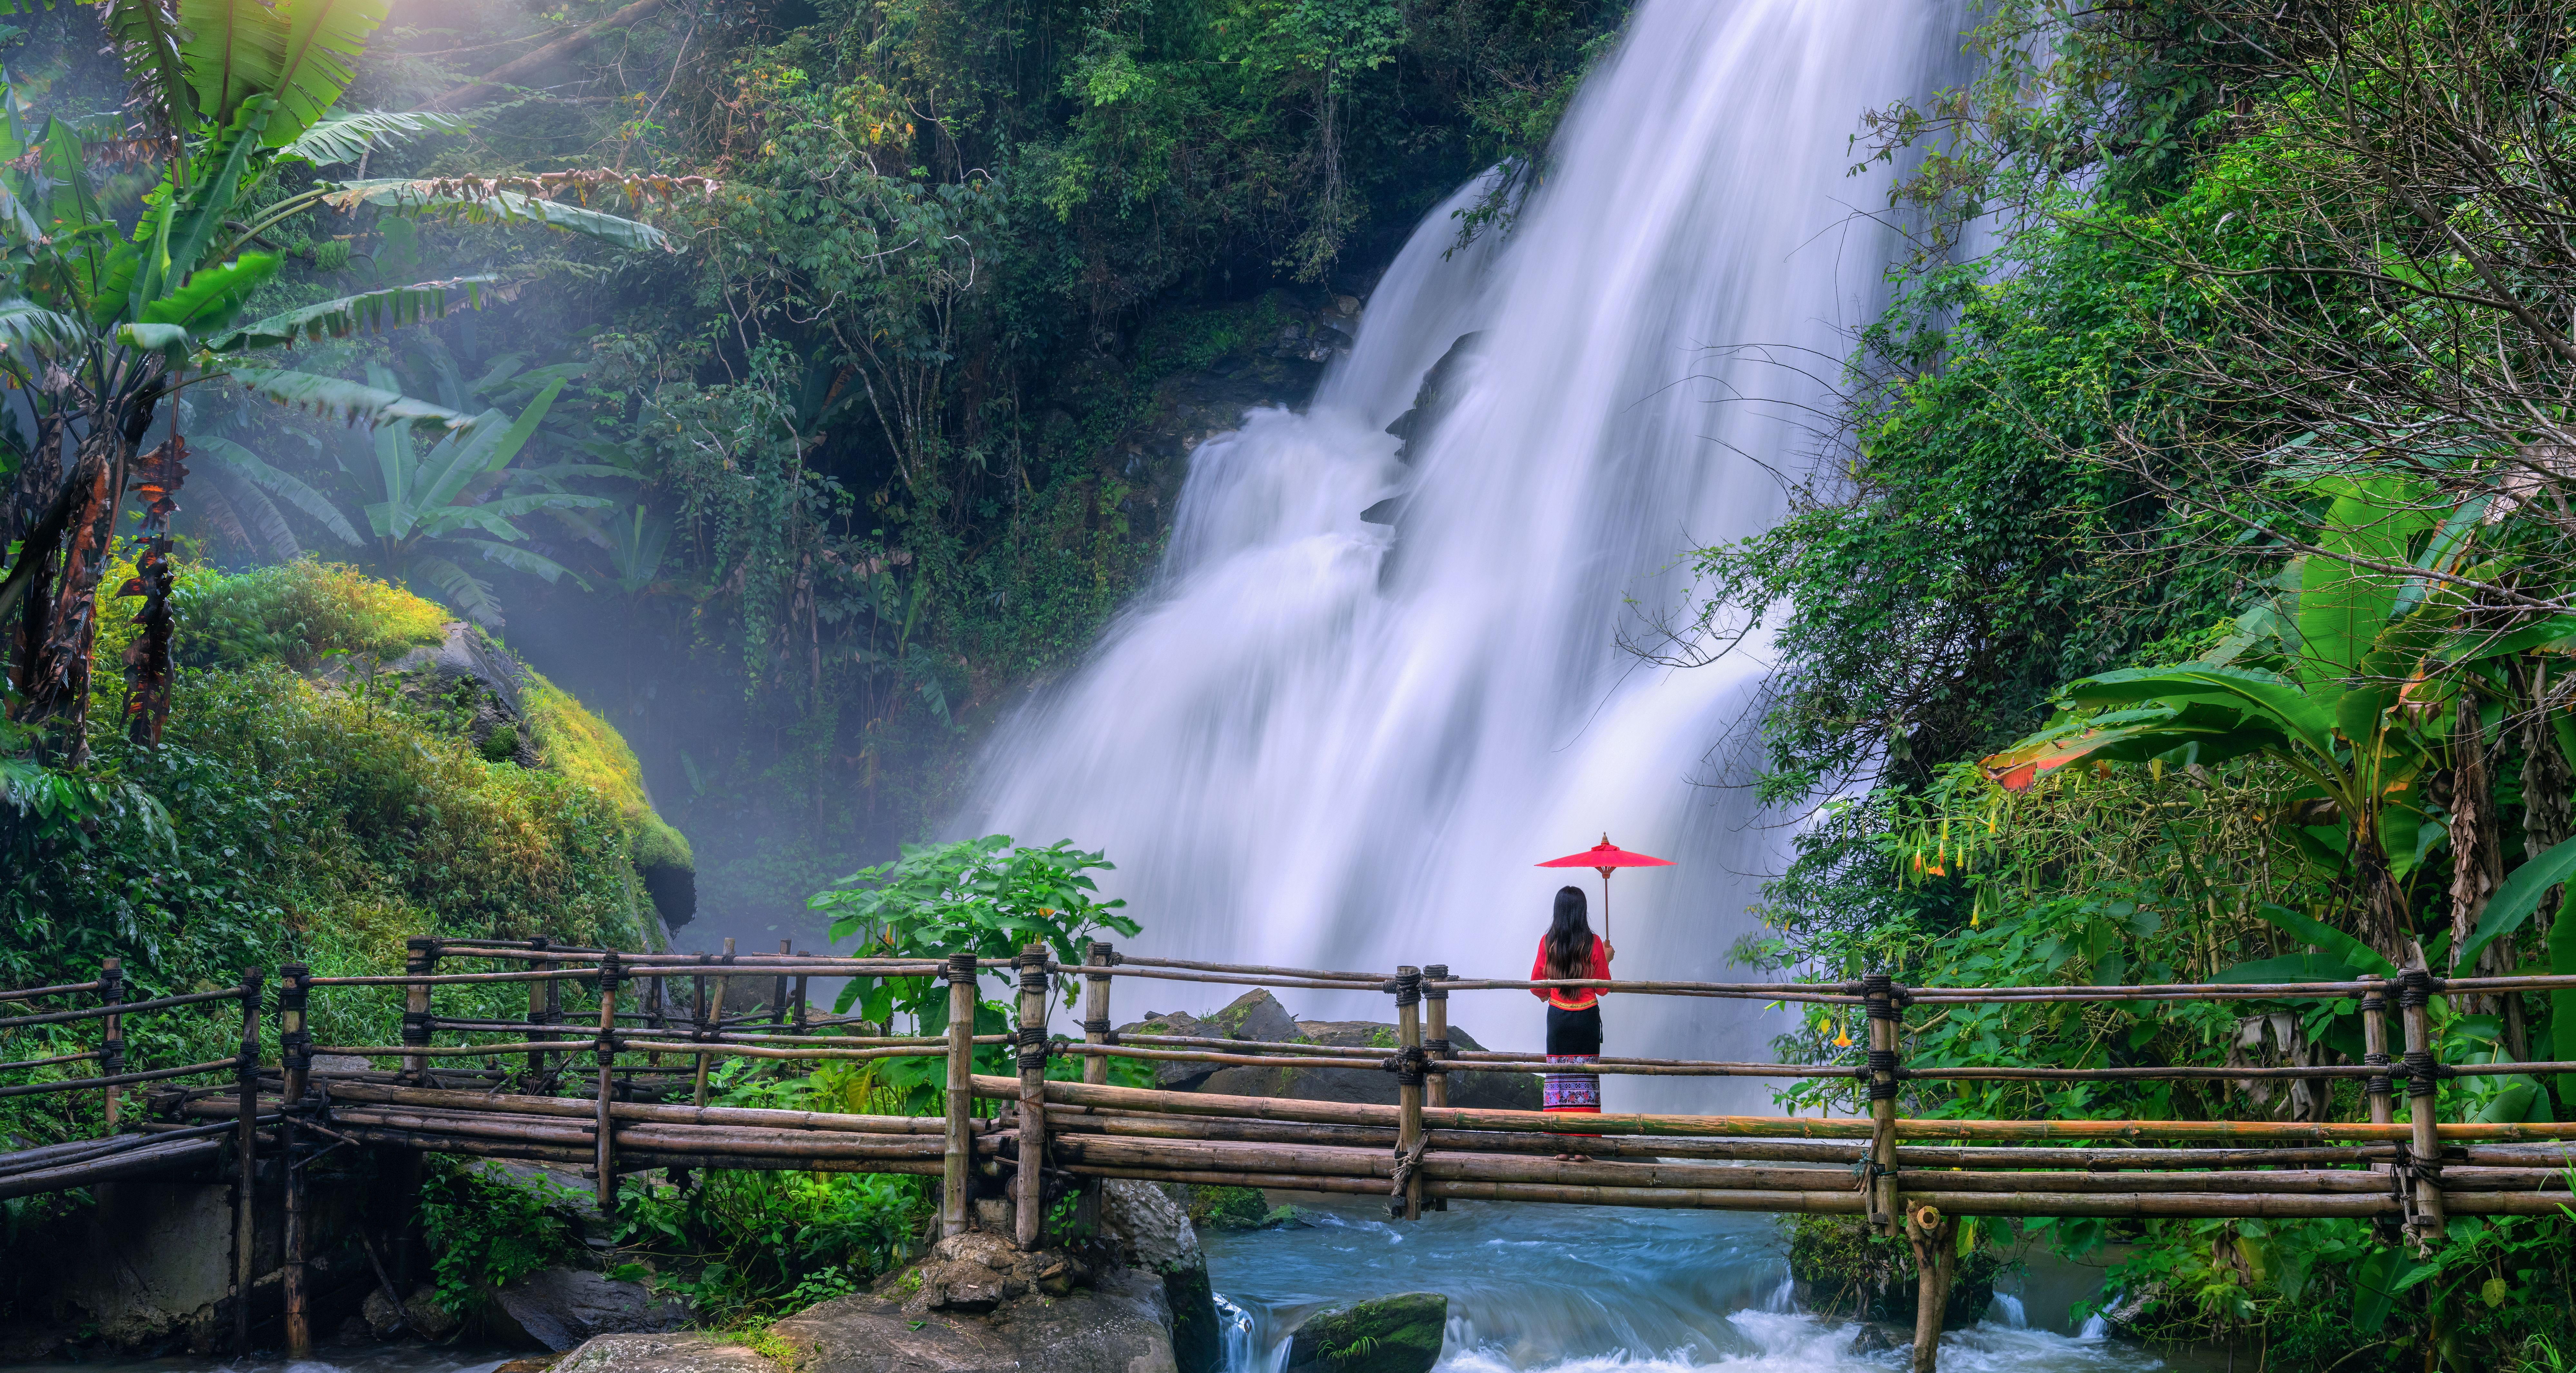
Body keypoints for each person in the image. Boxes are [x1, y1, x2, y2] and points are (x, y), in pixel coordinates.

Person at [1530, 885, 1612, 1158]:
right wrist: (1607, 958)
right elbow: (1603, 988)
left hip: (1559, 1018)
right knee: (1585, 1079)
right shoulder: (1594, 942)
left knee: (1559, 1079)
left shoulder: (1548, 942)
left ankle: (1561, 1146)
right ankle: (1583, 1148)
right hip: (1586, 1017)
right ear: (1582, 912)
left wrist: (1549, 995)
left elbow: (1537, 987)